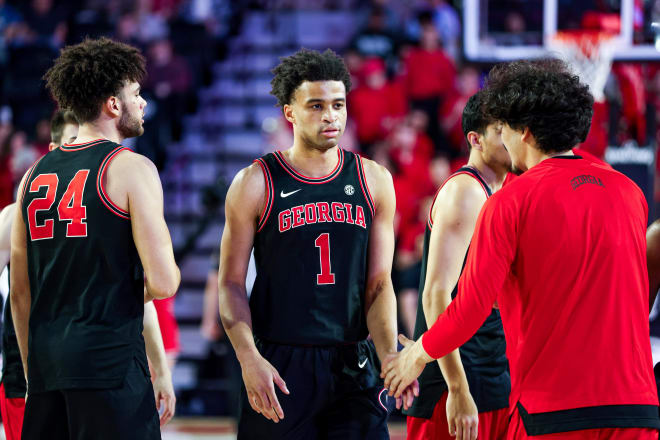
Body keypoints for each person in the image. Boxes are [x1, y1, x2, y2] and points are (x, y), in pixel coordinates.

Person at [382, 59, 660, 439]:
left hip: (551, 412)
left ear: (524, 132)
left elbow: (470, 308)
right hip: (638, 409)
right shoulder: (630, 193)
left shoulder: (511, 201)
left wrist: (416, 355)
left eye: (505, 128)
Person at [218, 48, 417, 440]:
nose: (331, 116)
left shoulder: (374, 180)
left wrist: (389, 355)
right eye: (316, 105)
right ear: (289, 112)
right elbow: (229, 283)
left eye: (338, 104)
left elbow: (379, 284)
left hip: (352, 361)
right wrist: (247, 358)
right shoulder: (255, 182)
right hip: (279, 360)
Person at [9, 37, 180, 440]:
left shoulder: (32, 175)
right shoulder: (131, 168)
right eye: (136, 93)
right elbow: (164, 282)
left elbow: (20, 294)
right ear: (113, 104)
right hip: (109, 367)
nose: (142, 103)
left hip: (48, 368)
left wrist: (34, 369)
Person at [404, 91, 511, 440]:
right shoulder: (466, 191)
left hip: (490, 372)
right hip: (457, 381)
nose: (512, 138)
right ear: (475, 139)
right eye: (501, 130)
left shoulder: (500, 193)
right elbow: (435, 295)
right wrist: (458, 390)